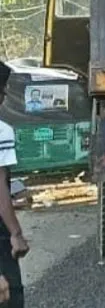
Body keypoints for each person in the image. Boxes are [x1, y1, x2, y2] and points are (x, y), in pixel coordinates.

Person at [0, 62, 28, 307]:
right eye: (3, 89)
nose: (6, 95)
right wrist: (16, 234)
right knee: (11, 295)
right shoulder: (1, 131)